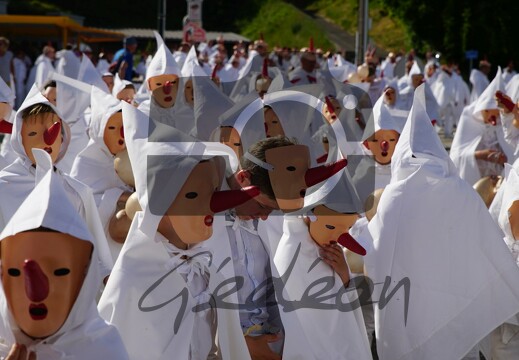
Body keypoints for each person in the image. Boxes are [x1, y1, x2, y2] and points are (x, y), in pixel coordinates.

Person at [366, 84, 519, 360]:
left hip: (406, 312)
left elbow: (373, 259)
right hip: (458, 314)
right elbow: (490, 249)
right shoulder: (460, 192)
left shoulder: (393, 196)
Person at [98, 102, 256, 360]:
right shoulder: (134, 281)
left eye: (213, 193)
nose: (211, 207)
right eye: (193, 196)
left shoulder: (205, 266)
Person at [0, 149, 128, 359]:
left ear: (84, 277)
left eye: (59, 272)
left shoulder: (102, 352)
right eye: (14, 272)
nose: (36, 292)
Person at [71, 86, 132, 262]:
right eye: (112, 127)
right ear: (99, 132)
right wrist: (121, 196)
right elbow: (81, 207)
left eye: (125, 126)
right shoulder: (86, 162)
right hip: (100, 247)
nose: (121, 134)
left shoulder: (136, 156)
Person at [450, 67, 515, 185]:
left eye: (497, 115)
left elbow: (514, 154)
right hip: (474, 183)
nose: (493, 120)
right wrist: (480, 155)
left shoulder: (505, 123)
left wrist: (505, 159)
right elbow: (455, 157)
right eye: (488, 112)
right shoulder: (469, 118)